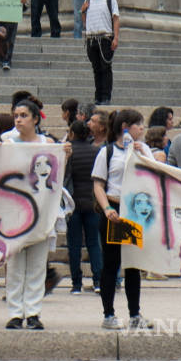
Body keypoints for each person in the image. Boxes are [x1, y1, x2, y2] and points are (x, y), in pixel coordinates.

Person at [3, 100, 68, 330]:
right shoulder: (7, 142)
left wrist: (64, 154)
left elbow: (56, 171)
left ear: (35, 119)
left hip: (41, 212)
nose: (19, 119)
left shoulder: (47, 143)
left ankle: (32, 312)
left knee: (37, 266)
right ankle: (14, 312)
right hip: (15, 213)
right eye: (16, 115)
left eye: (23, 115)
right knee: (15, 267)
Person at [92, 108, 154, 330]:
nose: (142, 129)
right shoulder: (107, 152)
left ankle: (135, 314)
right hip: (115, 210)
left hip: (135, 210)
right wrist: (107, 208)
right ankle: (109, 314)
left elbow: (155, 174)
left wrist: (143, 155)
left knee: (133, 265)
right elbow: (98, 184)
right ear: (126, 127)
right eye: (139, 125)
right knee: (111, 264)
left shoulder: (142, 149)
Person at [65, 120, 102, 295]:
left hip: (73, 203)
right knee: (94, 243)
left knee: (74, 245)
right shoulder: (96, 151)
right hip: (92, 202)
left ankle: (76, 283)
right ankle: (97, 280)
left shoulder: (68, 152)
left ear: (71, 133)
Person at [81, 0, 119, 105]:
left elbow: (115, 18)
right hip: (91, 38)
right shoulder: (87, 1)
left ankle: (106, 96)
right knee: (96, 69)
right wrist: (83, 12)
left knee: (105, 68)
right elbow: (85, 23)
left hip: (105, 37)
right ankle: (98, 96)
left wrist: (116, 37)